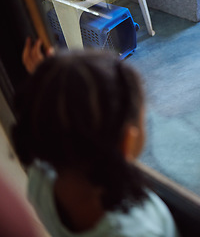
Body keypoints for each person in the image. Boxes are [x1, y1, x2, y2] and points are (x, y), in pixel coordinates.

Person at [13, 49, 181, 236]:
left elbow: (59, 130)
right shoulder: (137, 231)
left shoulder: (40, 182)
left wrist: (51, 95)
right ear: (127, 142)